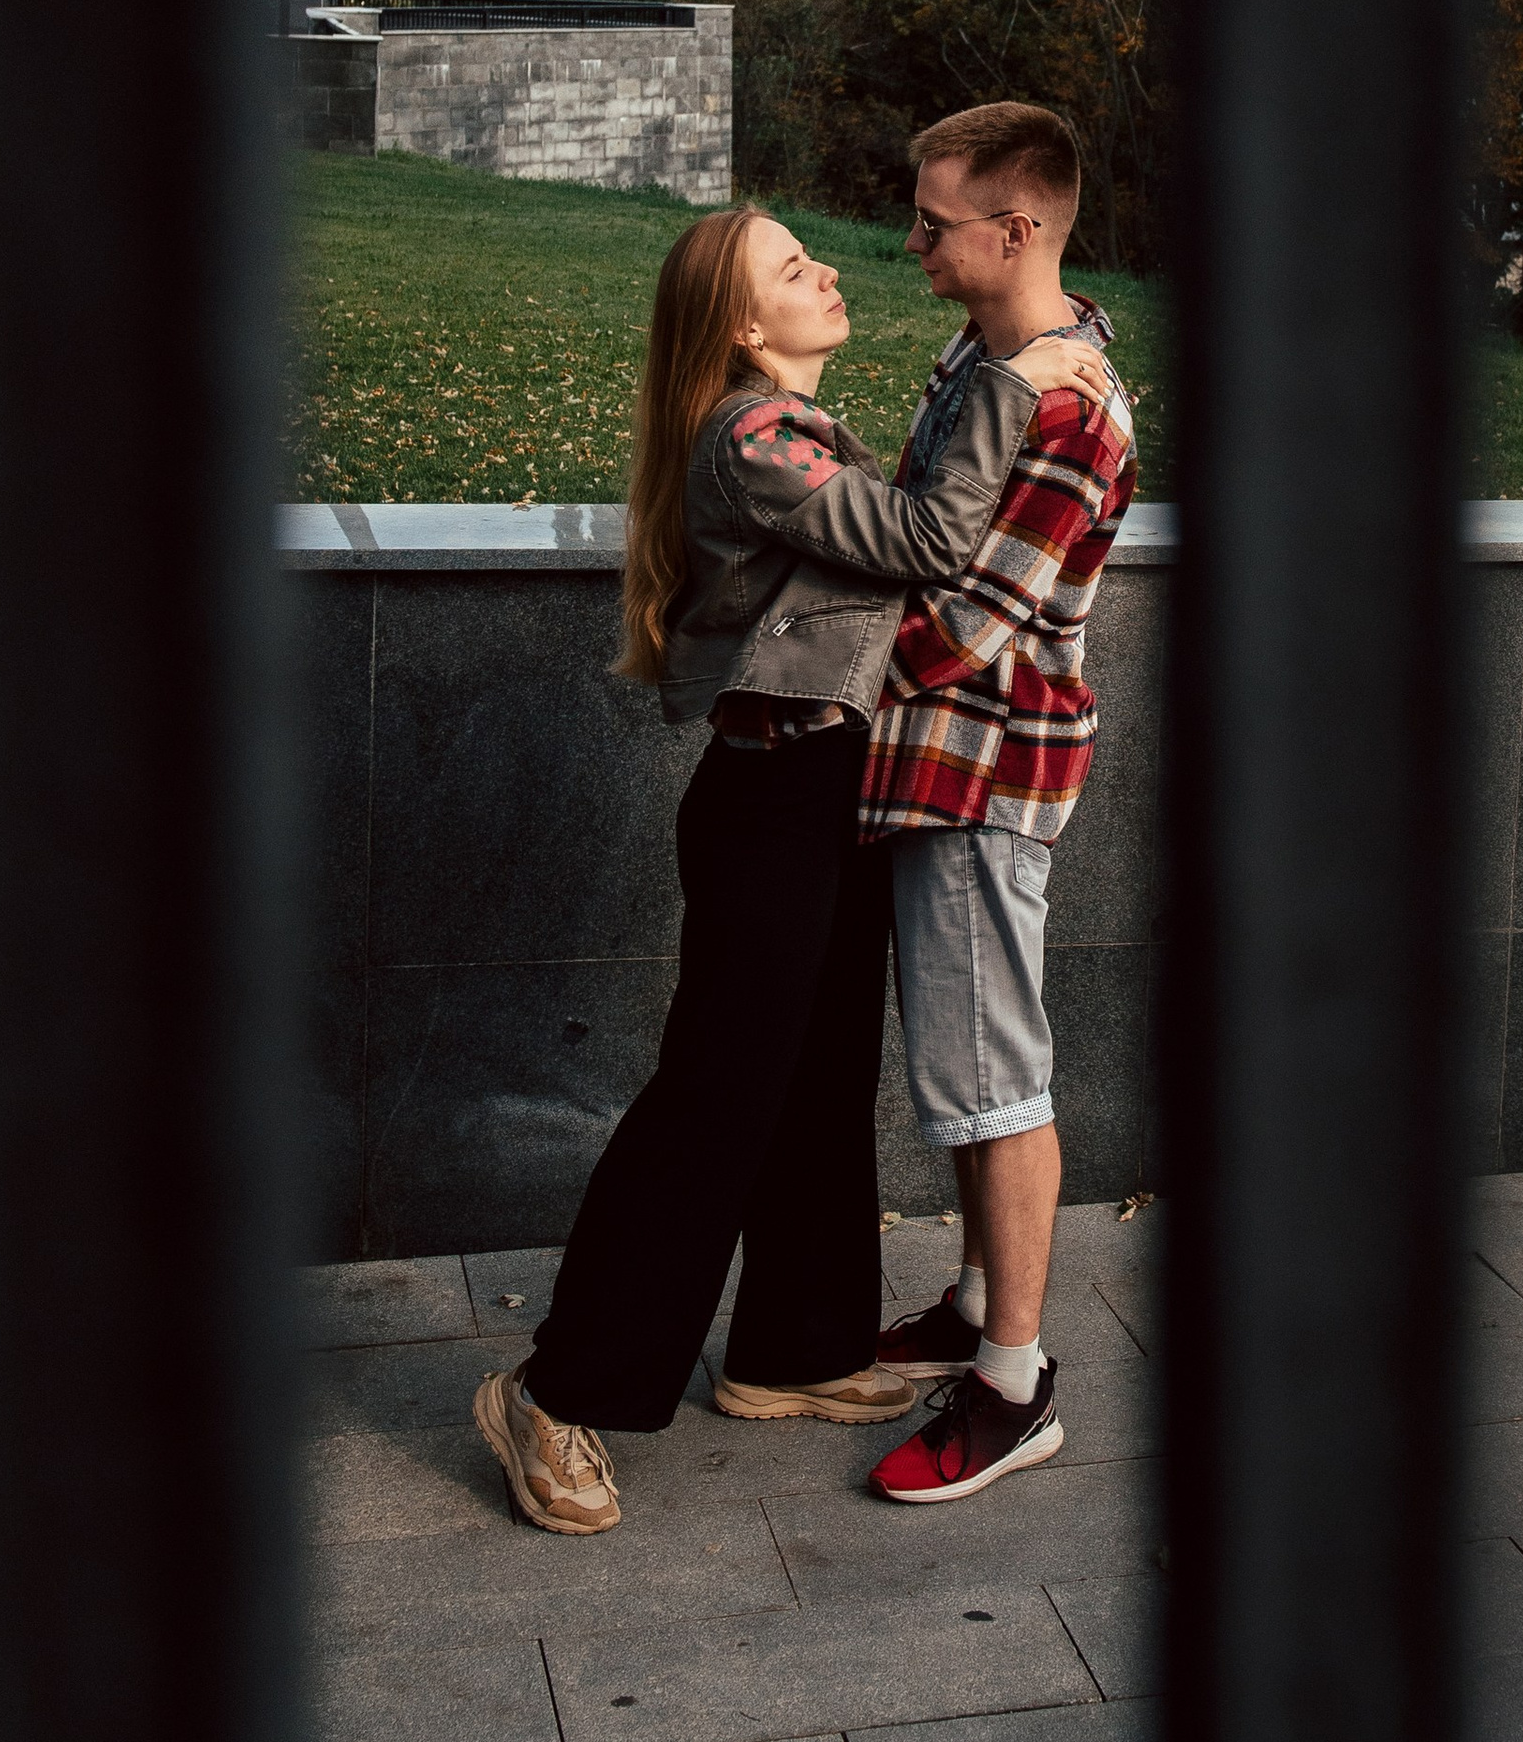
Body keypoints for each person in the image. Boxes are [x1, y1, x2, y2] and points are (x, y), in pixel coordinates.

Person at [472, 201, 1108, 1535]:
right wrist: (1012, 375)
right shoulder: (752, 433)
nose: (829, 264)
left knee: (822, 1077)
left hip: (836, 787)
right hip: (772, 797)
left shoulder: (801, 429)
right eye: (789, 266)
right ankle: (557, 1386)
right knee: (719, 1094)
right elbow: (929, 543)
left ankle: (793, 1349)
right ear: (746, 325)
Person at [859, 104, 1141, 1505]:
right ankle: (976, 1298)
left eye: (933, 218)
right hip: (944, 758)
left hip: (985, 768)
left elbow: (969, 616)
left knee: (991, 1077)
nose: (910, 239)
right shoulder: (991, 354)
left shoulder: (1066, 400)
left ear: (1014, 226)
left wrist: (815, 665)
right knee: (965, 1068)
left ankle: (1015, 1381)